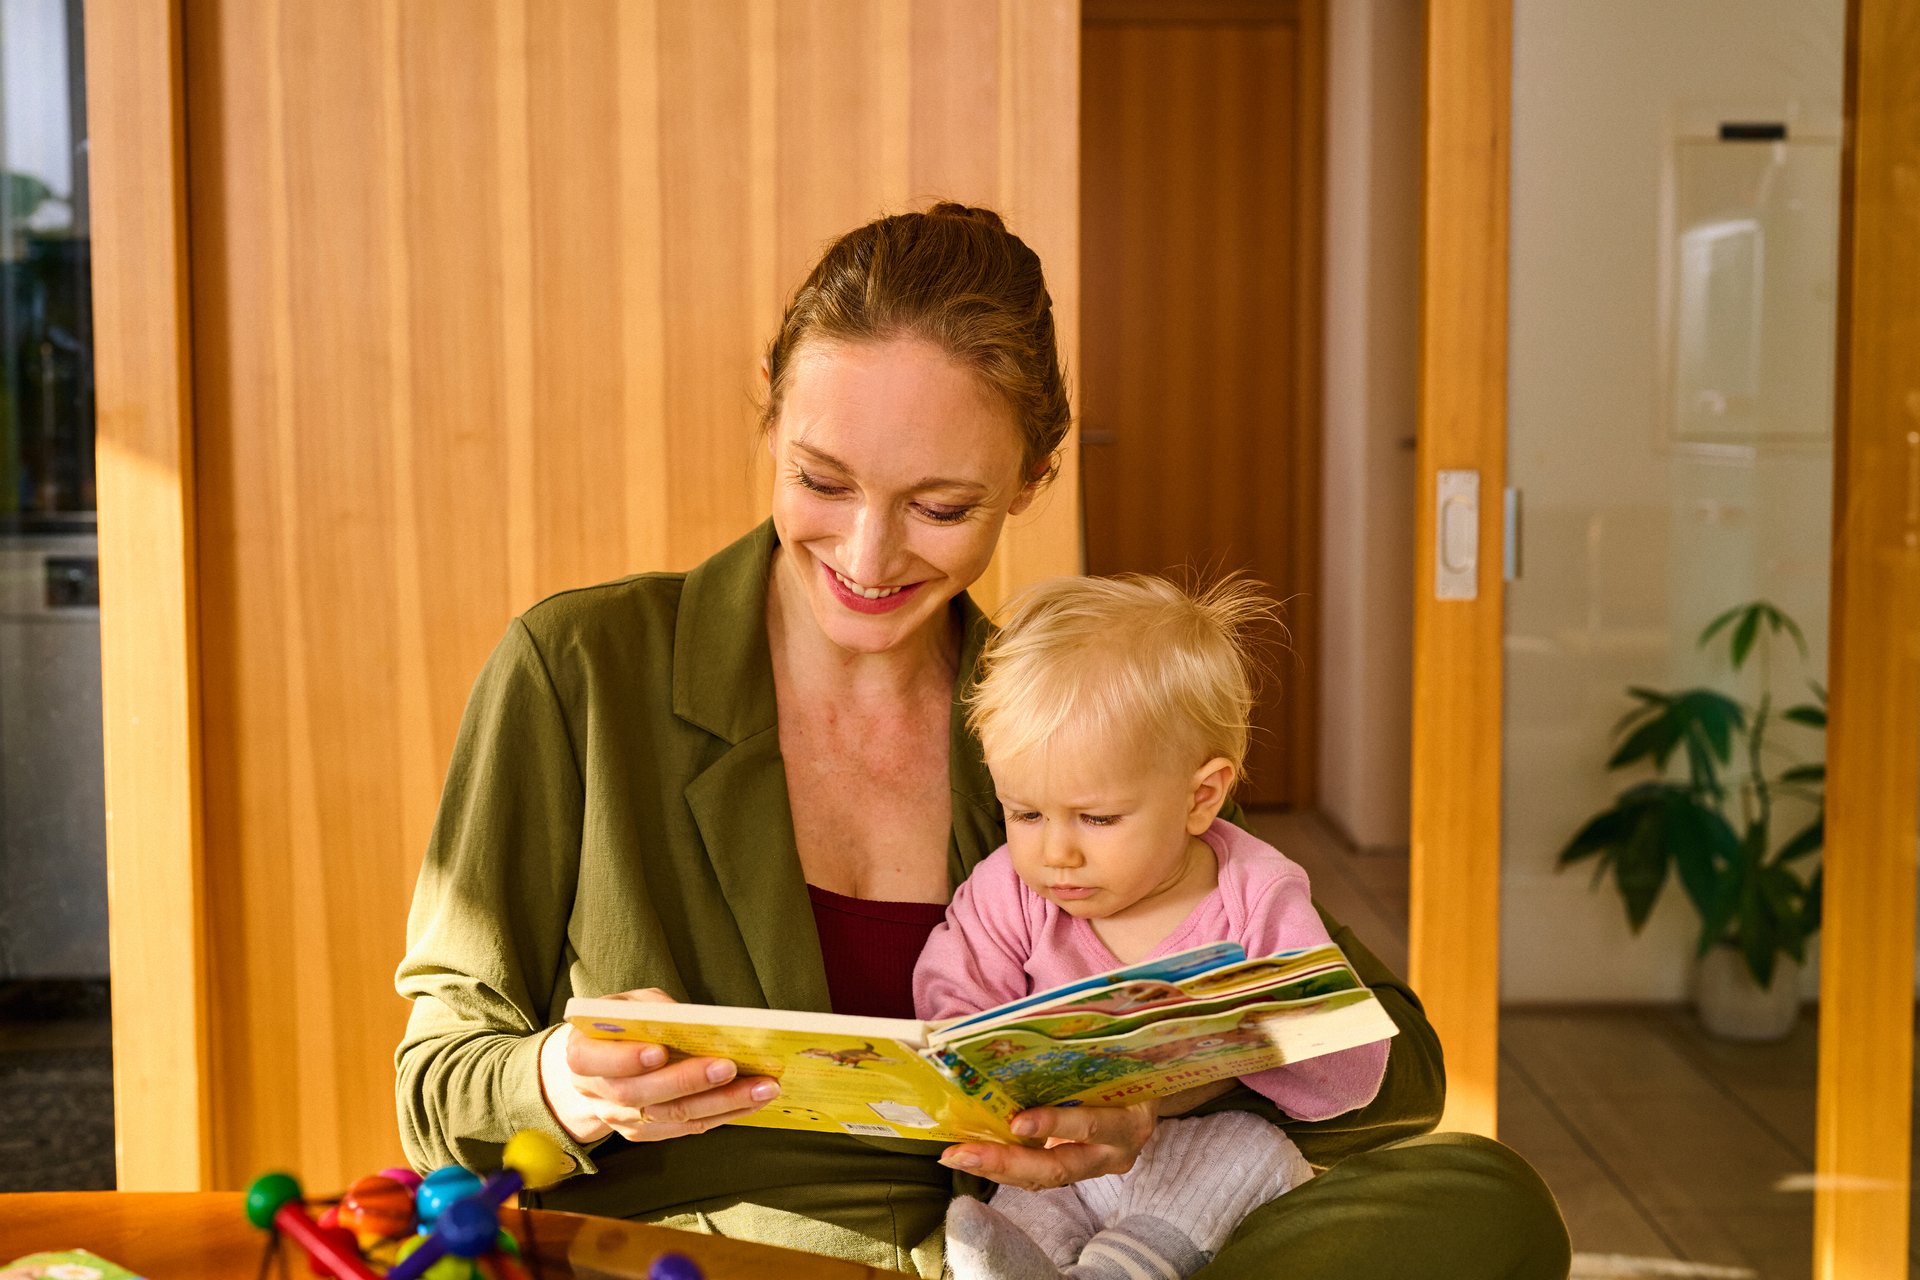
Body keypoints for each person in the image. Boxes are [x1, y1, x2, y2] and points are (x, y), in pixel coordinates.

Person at [394, 202, 1572, 1278]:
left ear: (1033, 477)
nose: (867, 556)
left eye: (941, 506)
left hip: (1021, 1248)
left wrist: (1152, 1093)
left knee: (1483, 1200)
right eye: (821, 479)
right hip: (708, 1255)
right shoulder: (578, 667)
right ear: (773, 406)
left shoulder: (1074, 717)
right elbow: (436, 1082)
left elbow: (1396, 1066)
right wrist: (563, 1083)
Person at [916, 574, 1384, 1280]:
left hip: (1201, 1159)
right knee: (1022, 1200)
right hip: (1066, 1158)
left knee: (1241, 1154)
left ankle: (1114, 1272)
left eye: (1097, 818)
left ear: (1202, 797)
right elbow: (952, 996)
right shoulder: (1010, 888)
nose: (1056, 852)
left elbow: (1352, 1075)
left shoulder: (1255, 897)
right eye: (1026, 813)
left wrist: (1249, 1036)